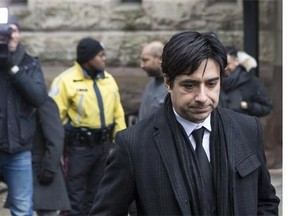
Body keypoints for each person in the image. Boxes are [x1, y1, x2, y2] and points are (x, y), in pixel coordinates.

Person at [89, 31, 280, 215]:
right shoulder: (134, 145)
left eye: (212, 84)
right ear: (167, 82)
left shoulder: (247, 129)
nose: (202, 97)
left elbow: (265, 201)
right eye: (189, 85)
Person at [49, 37, 126, 215]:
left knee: (98, 193)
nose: (104, 59)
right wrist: (55, 147)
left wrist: (122, 142)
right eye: (100, 55)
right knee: (74, 195)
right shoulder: (65, 81)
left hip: (103, 146)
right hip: (78, 147)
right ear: (88, 58)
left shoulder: (108, 79)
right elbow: (53, 118)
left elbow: (118, 113)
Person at [0, 14, 47, 216]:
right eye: (4, 32)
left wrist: (12, 68)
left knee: (22, 207)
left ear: (19, 34)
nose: (10, 36)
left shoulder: (29, 63)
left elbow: (38, 97)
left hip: (18, 149)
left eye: (13, 31)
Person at [32, 96, 71, 215]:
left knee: (47, 211)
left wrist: (49, 167)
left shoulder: (44, 102)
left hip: (42, 167)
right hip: (24, 165)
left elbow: (55, 138)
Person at [219, 46, 272, 117]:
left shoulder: (251, 82)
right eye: (222, 64)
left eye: (228, 64)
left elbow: (267, 108)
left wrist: (248, 106)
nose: (225, 68)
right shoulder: (216, 82)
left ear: (236, 61)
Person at [138, 41, 167, 121]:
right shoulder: (149, 86)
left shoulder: (173, 88)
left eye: (145, 60)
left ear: (160, 59)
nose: (142, 66)